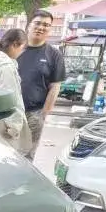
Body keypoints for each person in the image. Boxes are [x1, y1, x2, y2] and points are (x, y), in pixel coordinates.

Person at [17, 9, 66, 160]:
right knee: (2, 150)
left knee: (26, 155)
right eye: (37, 23)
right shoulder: (15, 48)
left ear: (49, 29)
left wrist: (43, 114)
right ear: (29, 25)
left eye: (46, 25)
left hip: (33, 113)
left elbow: (55, 86)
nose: (41, 28)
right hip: (9, 111)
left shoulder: (54, 55)